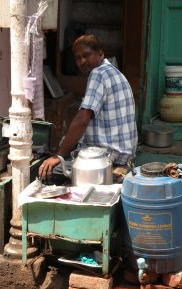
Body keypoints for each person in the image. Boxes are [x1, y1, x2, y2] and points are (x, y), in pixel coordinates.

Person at [38, 34, 137, 183]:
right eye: (78, 58)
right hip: (124, 156)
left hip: (108, 160)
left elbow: (82, 120)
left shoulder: (98, 74)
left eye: (86, 55)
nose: (82, 61)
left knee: (46, 172)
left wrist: (58, 156)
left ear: (101, 54)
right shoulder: (115, 72)